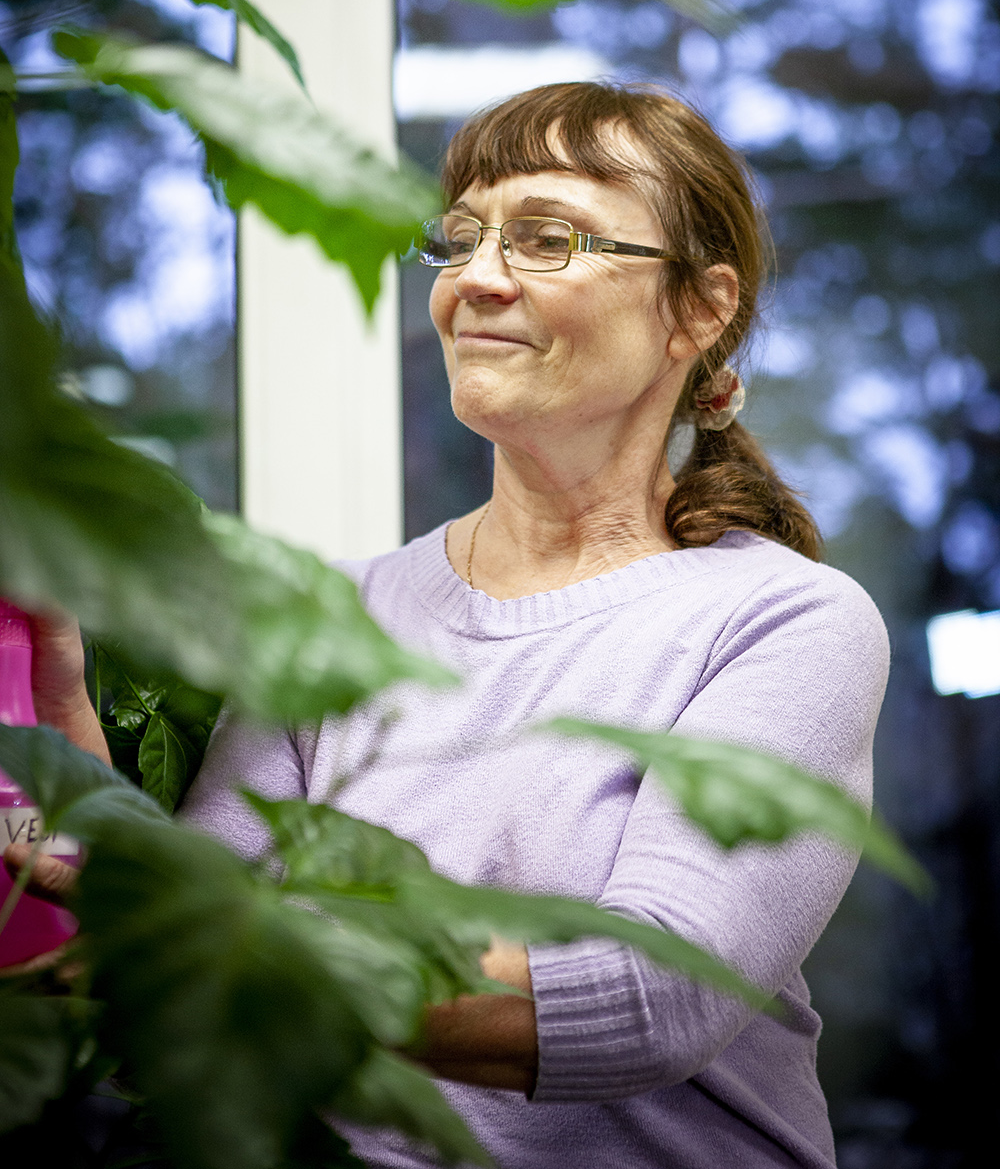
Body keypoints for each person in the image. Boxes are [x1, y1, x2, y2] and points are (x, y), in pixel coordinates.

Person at [8, 82, 889, 1167]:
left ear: (698, 310)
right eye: (458, 237)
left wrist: (195, 937)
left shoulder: (780, 619)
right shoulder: (331, 619)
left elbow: (652, 995)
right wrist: (100, 851)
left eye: (546, 238)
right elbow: (193, 992)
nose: (473, 278)